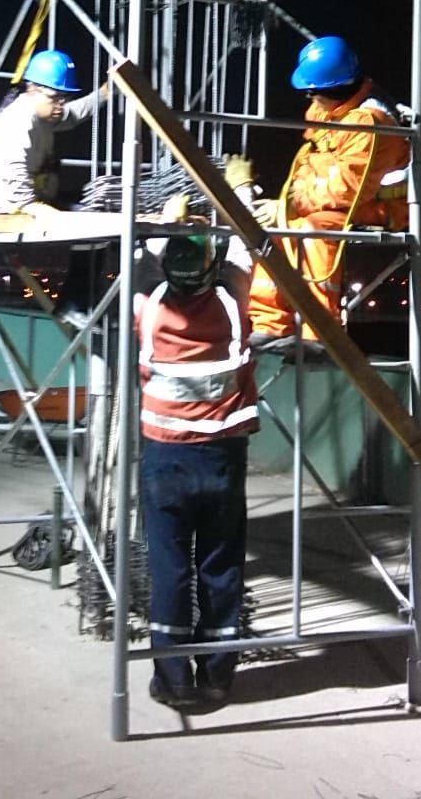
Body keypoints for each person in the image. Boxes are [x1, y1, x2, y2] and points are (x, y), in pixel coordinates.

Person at [135, 172, 257, 710]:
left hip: (165, 456)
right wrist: (239, 194)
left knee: (170, 570)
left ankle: (174, 680)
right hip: (222, 457)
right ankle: (218, 676)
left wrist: (169, 215)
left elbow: (141, 253)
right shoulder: (233, 307)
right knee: (221, 566)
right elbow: (248, 247)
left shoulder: (149, 309)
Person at [248, 35, 411, 351]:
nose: (309, 98)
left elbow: (346, 190)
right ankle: (271, 324)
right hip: (335, 201)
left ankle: (320, 330)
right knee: (275, 229)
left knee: (314, 229)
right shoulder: (335, 113)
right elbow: (319, 172)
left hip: (380, 208)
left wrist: (290, 205)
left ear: (335, 89)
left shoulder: (370, 124)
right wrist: (285, 208)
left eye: (313, 91)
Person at [0, 48, 107, 219]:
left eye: (64, 98)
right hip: (11, 214)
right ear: (32, 90)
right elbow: (13, 171)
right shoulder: (19, 120)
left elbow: (72, 115)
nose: (60, 105)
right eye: (54, 97)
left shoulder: (43, 114)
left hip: (31, 206)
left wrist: (104, 94)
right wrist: (36, 208)